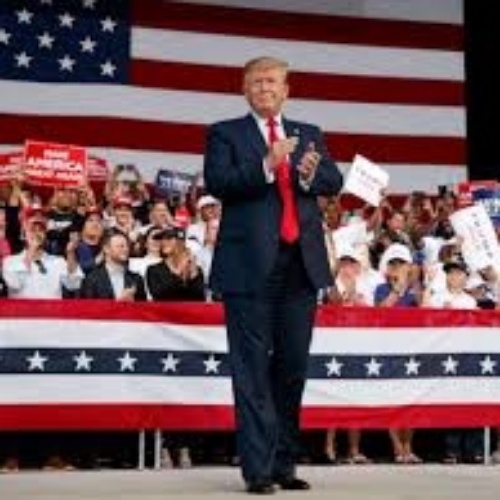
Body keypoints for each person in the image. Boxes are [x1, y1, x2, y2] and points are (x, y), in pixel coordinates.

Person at [204, 56, 343, 494]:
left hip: (301, 266)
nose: (264, 88)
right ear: (244, 90)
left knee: (292, 368)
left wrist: (310, 173)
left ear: (287, 90)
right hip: (247, 269)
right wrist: (267, 163)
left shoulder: (309, 133)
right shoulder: (225, 133)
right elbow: (219, 181)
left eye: (272, 81)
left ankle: (284, 463)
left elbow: (333, 180)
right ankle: (258, 470)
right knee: (251, 371)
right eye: (256, 82)